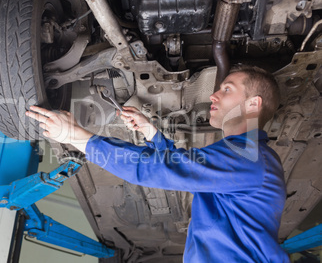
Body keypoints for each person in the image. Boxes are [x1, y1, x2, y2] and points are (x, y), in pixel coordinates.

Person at [26, 65, 290, 262]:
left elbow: (166, 170)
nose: (213, 95)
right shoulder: (246, 157)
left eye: (227, 89)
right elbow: (182, 169)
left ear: (253, 104)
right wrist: (153, 135)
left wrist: (78, 137)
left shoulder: (251, 158)